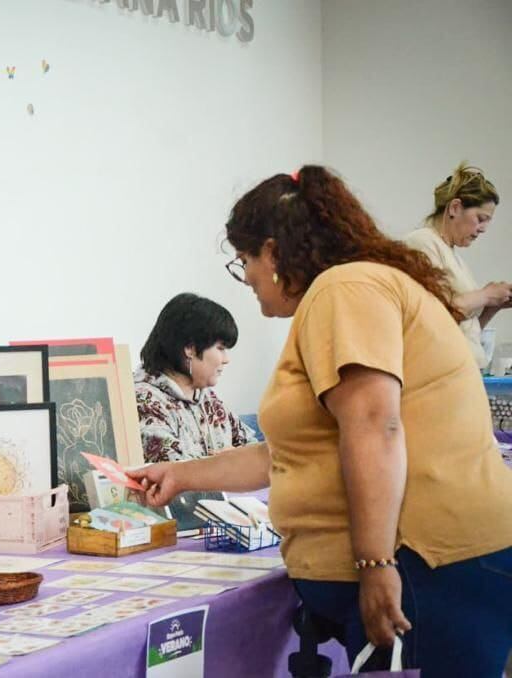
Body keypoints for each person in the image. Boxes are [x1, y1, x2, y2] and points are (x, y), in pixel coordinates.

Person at [128, 166, 512, 677]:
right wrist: (181, 475)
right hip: (431, 566)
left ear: (274, 250)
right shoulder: (355, 288)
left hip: (426, 566)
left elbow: (375, 425)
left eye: (244, 260)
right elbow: (291, 452)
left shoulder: (344, 289)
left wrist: (376, 564)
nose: (246, 277)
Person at [404, 163, 511, 368]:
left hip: (464, 370)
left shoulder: (454, 256)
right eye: (481, 219)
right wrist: (486, 294)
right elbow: (434, 317)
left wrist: (492, 307)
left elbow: (465, 330)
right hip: (440, 374)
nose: (483, 229)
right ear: (455, 208)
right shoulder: (421, 243)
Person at [135, 293, 255, 462]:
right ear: (190, 348)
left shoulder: (208, 399)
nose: (226, 359)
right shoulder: (144, 400)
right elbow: (173, 470)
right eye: (220, 348)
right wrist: (227, 465)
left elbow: (253, 450)